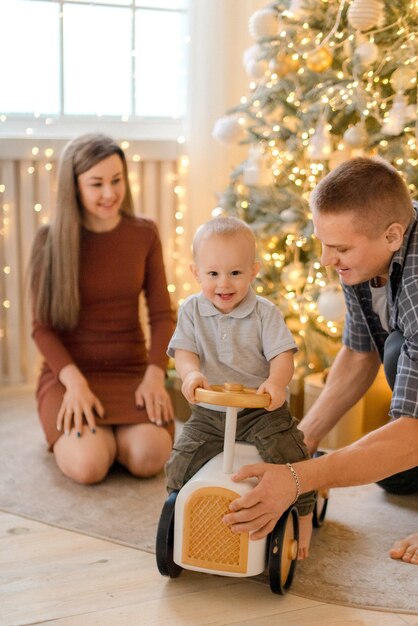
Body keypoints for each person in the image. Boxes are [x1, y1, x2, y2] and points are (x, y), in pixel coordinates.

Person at [222, 156, 418, 565]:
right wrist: (302, 442)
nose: (328, 259)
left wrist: (297, 479)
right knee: (391, 476)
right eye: (324, 243)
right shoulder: (362, 260)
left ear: (393, 235)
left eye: (341, 248)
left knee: (399, 366)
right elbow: (360, 354)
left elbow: (414, 434)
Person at [165, 216, 316, 559]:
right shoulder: (191, 310)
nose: (224, 283)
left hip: (261, 410)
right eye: (213, 273)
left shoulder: (265, 313)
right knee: (180, 460)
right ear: (196, 273)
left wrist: (275, 384)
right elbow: (185, 352)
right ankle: (176, 511)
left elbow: (282, 357)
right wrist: (190, 376)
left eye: (235, 273)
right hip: (210, 411)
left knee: (290, 454)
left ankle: (304, 514)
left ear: (253, 270)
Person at [29, 133, 175, 485]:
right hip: (70, 376)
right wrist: (74, 384)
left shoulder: (144, 234)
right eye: (96, 184)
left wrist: (155, 374)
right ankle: (99, 441)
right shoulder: (49, 240)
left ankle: (113, 439)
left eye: (116, 180)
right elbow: (42, 328)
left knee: (150, 457)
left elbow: (162, 315)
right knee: (90, 466)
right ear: (74, 187)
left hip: (131, 373)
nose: (109, 193)